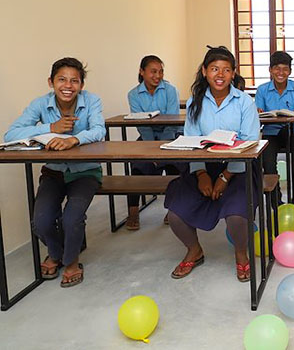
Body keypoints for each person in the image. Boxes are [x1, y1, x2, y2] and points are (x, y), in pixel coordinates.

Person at [4, 57, 105, 287]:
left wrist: (74, 139)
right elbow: (11, 135)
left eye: (74, 81)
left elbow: (99, 130)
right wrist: (50, 128)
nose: (68, 86)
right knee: (41, 222)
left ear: (81, 85)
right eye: (61, 80)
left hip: (85, 173)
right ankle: (56, 252)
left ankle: (70, 261)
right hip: (53, 172)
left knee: (72, 218)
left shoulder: (92, 101)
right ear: (51, 82)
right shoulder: (40, 104)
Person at [164, 46, 261, 282]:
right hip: (203, 166)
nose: (220, 74)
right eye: (215, 69)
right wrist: (200, 174)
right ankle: (194, 251)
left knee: (238, 216)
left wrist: (226, 175)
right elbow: (191, 140)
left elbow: (250, 141)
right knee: (176, 214)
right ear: (205, 71)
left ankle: (241, 255)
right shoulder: (195, 103)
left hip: (239, 168)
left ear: (233, 74)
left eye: (226, 70)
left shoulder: (244, 102)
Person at [125, 55, 183, 230]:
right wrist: (151, 150)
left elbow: (172, 120)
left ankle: (172, 209)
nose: (158, 75)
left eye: (161, 71)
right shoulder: (133, 94)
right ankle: (133, 211)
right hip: (148, 137)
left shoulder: (170, 90)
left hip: (171, 135)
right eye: (153, 71)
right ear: (142, 72)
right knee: (137, 167)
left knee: (177, 168)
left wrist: (161, 149)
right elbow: (142, 124)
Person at [255, 51, 294, 208]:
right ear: (270, 70)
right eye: (277, 69)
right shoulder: (262, 90)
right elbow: (257, 115)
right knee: (268, 161)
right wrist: (259, 113)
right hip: (271, 133)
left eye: (285, 69)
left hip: (293, 130)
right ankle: (275, 198)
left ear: (290, 71)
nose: (281, 73)